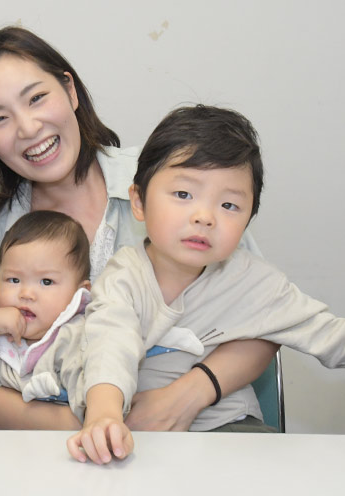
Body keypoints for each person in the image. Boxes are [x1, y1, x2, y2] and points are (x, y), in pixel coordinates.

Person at [0, 26, 278, 431]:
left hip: (207, 424)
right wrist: (93, 420)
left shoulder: (170, 179)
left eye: (36, 98)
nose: (28, 128)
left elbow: (264, 315)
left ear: (70, 90)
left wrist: (182, 399)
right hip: (60, 451)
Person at [67, 104, 345, 464]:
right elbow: (110, 344)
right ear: (138, 201)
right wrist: (104, 415)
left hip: (232, 430)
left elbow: (329, 336)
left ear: (247, 221)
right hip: (139, 438)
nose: (205, 216)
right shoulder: (124, 277)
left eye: (229, 205)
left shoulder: (257, 283)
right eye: (184, 195)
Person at [0, 210, 91, 418]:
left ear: (79, 293)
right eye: (14, 280)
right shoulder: (0, 335)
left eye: (46, 282)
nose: (26, 294)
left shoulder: (78, 335)